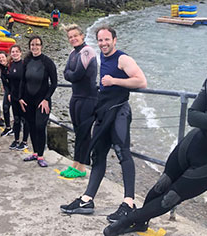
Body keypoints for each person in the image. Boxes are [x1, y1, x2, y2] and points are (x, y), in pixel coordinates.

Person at [104, 28, 207, 236]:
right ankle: (140, 222)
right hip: (191, 145)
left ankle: (121, 225)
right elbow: (194, 116)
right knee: (162, 184)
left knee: (171, 198)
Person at [60, 25, 147, 222]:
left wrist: (115, 81)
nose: (103, 43)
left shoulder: (122, 58)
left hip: (119, 112)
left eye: (107, 39)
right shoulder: (102, 58)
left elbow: (141, 81)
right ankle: (87, 200)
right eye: (100, 40)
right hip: (103, 112)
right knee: (98, 155)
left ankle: (129, 204)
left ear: (114, 40)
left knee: (123, 154)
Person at [60, 24, 98, 178]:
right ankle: (75, 163)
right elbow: (66, 73)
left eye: (75, 35)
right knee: (78, 131)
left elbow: (75, 75)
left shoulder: (87, 51)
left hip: (88, 98)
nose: (73, 39)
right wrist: (71, 74)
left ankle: (81, 168)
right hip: (76, 96)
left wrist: (71, 74)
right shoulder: (73, 53)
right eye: (70, 37)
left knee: (83, 133)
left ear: (82, 36)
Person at [20, 36, 57, 167]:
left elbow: (54, 83)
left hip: (42, 101)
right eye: (32, 44)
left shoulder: (47, 62)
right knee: (31, 126)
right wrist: (20, 98)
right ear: (29, 46)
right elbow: (23, 81)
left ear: (41, 46)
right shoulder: (27, 60)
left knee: (40, 126)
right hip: (28, 100)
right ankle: (35, 153)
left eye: (37, 44)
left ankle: (41, 156)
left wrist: (47, 99)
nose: (35, 47)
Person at [0, 45, 30, 150]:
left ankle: (24, 141)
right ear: (10, 54)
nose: (15, 53)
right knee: (16, 119)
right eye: (13, 52)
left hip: (24, 97)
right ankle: (16, 140)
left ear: (20, 53)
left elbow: (27, 81)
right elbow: (9, 81)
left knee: (25, 120)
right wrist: (10, 93)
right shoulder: (10, 65)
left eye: (17, 51)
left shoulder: (25, 64)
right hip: (15, 96)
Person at [0, 51, 14, 137]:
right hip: (8, 90)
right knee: (5, 107)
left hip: (16, 90)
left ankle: (18, 127)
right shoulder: (1, 69)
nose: (1, 59)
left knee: (18, 111)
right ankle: (8, 127)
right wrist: (8, 92)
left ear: (7, 57)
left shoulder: (12, 66)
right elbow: (5, 83)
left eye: (3, 57)